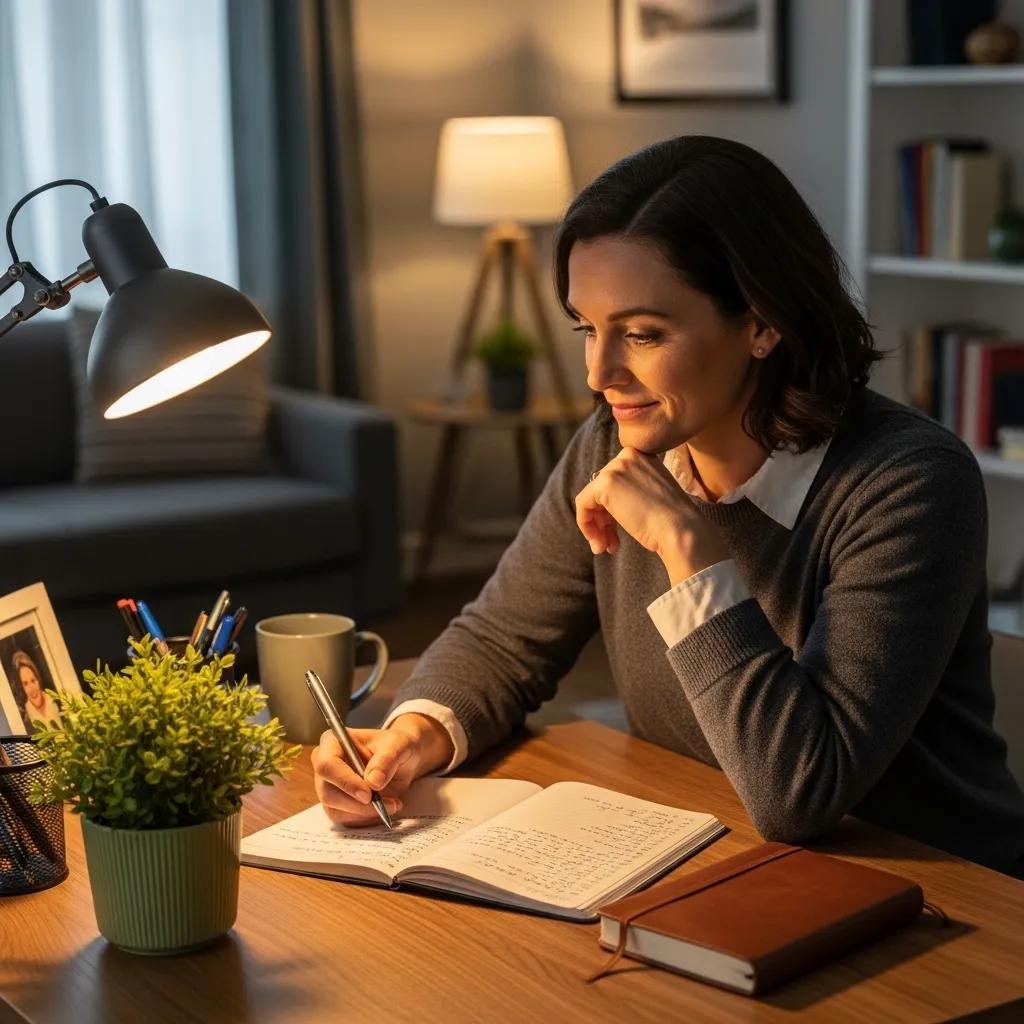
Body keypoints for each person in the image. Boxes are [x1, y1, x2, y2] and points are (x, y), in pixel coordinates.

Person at [313, 135, 1024, 876]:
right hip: (719, 848)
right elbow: (503, 640)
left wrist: (690, 549)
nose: (600, 373)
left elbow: (800, 793)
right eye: (587, 328)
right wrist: (411, 737)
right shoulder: (615, 440)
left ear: (762, 322)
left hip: (940, 889)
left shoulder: (909, 484)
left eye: (643, 334)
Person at [13, 650, 60, 730]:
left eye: (33, 681)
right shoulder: (26, 720)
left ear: (38, 680)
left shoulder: (57, 700)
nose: (31, 689)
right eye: (25, 684)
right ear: (22, 688)